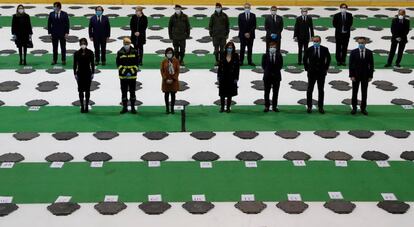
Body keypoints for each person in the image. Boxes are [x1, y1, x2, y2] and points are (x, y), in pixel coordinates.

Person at [303, 36, 331, 114]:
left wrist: (325, 68)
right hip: (311, 72)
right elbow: (305, 59)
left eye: (317, 41)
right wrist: (307, 68)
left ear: (320, 41)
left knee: (321, 90)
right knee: (310, 90)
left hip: (321, 73)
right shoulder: (309, 50)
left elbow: (328, 59)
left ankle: (320, 107)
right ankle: (309, 106)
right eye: (314, 41)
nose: (316, 42)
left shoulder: (325, 49)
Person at [349, 37, 374, 115]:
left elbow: (371, 65)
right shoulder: (353, 52)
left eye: (362, 43)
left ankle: (363, 108)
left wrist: (370, 76)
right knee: (354, 92)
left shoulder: (369, 52)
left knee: (364, 92)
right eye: (359, 43)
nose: (361, 44)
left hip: (365, 76)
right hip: (355, 76)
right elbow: (351, 65)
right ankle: (354, 108)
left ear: (365, 43)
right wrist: (351, 75)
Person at [116, 37, 139, 114]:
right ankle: (124, 107)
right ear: (123, 44)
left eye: (128, 44)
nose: (127, 45)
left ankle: (132, 107)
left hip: (132, 76)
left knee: (132, 92)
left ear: (130, 44)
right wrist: (125, 72)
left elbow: (137, 64)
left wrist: (131, 72)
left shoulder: (135, 52)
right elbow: (118, 64)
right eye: (125, 44)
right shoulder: (120, 52)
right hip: (123, 76)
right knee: (124, 92)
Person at [73, 38, 95, 113]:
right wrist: (75, 73)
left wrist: (93, 73)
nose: (83, 44)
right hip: (80, 73)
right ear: (79, 44)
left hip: (88, 73)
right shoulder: (76, 53)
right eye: (81, 43)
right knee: (80, 90)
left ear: (86, 44)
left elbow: (92, 63)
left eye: (84, 43)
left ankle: (86, 106)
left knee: (87, 90)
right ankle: (82, 106)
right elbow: (74, 64)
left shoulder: (90, 52)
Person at [217, 42, 240, 113]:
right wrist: (218, 76)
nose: (229, 49)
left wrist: (236, 77)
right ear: (226, 48)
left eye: (231, 48)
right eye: (228, 48)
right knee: (222, 93)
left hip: (232, 76)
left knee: (230, 93)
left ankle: (228, 107)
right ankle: (222, 107)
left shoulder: (236, 56)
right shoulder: (222, 55)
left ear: (233, 49)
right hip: (223, 76)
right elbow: (220, 66)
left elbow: (237, 68)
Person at [262, 42, 283, 112]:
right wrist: (269, 72)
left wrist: (274, 72)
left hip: (276, 76)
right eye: (271, 47)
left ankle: (274, 106)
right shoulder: (265, 55)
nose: (272, 48)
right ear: (269, 48)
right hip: (267, 76)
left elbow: (280, 66)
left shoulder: (279, 55)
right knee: (267, 92)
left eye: (273, 47)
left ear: (276, 48)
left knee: (275, 92)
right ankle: (266, 106)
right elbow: (263, 66)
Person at [160, 47, 180, 114]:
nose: (169, 54)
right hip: (166, 81)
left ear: (173, 54)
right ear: (166, 54)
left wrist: (173, 78)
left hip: (173, 81)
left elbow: (177, 71)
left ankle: (172, 109)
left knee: (173, 95)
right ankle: (167, 109)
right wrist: (165, 79)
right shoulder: (164, 62)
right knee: (166, 94)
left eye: (170, 53)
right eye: (168, 53)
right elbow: (162, 71)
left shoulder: (176, 61)